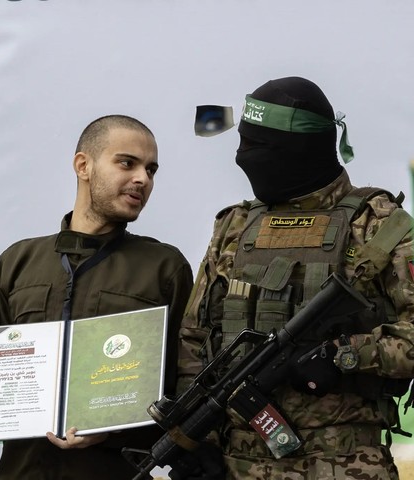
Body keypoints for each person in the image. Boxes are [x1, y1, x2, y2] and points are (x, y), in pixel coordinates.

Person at [176, 76, 414, 479]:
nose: (242, 157)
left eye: (258, 147)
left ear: (299, 149)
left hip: (345, 464)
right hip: (238, 464)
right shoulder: (234, 226)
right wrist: (200, 442)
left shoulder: (380, 226)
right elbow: (195, 339)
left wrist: (346, 355)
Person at [0, 114, 194, 480]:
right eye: (127, 163)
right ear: (83, 166)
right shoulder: (18, 261)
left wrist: (113, 428)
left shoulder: (165, 267)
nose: (142, 179)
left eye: (151, 170)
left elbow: (186, 391)